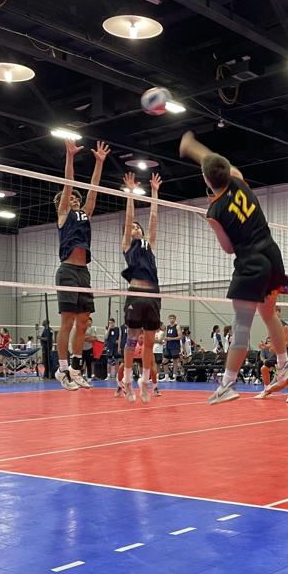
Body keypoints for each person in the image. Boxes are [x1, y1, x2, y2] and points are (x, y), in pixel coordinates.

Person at [179, 130, 288, 404]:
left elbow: (228, 248)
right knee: (269, 315)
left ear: (206, 180)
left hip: (250, 263)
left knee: (241, 324)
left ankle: (227, 384)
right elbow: (215, 162)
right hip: (272, 255)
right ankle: (284, 365)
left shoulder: (213, 212)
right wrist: (193, 147)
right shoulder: (238, 178)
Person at [53, 137, 109, 391]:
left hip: (83, 272)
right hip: (67, 271)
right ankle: (62, 369)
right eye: (70, 199)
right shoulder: (63, 214)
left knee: (83, 322)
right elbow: (69, 184)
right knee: (67, 322)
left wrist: (99, 162)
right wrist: (70, 156)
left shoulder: (85, 214)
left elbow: (93, 190)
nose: (74, 200)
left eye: (76, 199)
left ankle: (76, 368)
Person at [119, 171, 162, 404]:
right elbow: (129, 218)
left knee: (149, 342)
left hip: (153, 294)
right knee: (132, 339)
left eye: (138, 227)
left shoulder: (149, 243)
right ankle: (127, 380)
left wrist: (154, 192)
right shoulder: (128, 244)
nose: (135, 228)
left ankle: (145, 381)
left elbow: (153, 218)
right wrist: (131, 193)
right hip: (136, 294)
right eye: (133, 228)